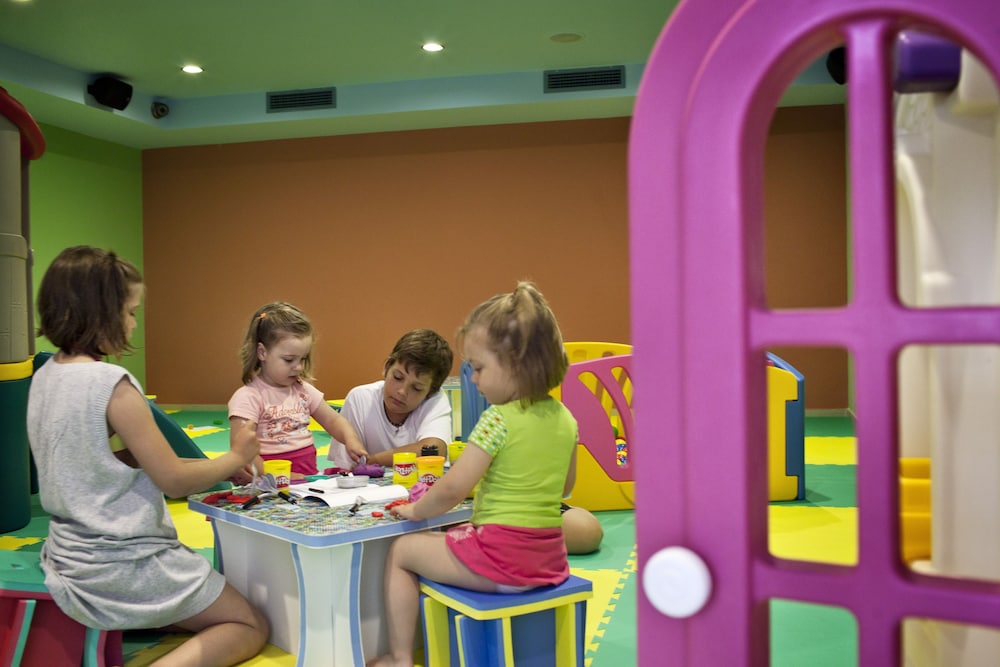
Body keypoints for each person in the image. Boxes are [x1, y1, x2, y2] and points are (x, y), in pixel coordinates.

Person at [27, 245, 269, 666]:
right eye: (130, 312)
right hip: (124, 563)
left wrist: (213, 468)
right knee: (250, 624)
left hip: (68, 555)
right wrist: (235, 456)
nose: (133, 324)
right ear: (101, 313)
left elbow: (111, 463)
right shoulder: (112, 384)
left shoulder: (45, 375)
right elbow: (172, 481)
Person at [367, 281, 578, 667]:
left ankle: (399, 658)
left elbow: (451, 490)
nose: (474, 379)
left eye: (479, 368)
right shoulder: (566, 419)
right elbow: (565, 487)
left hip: (502, 565)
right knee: (460, 533)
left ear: (515, 365)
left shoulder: (497, 419)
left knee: (402, 551)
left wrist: (414, 511)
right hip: (549, 562)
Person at [228, 301, 365, 480]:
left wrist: (350, 439)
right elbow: (241, 451)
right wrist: (279, 475)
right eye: (289, 360)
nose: (299, 367)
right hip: (269, 483)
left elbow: (333, 419)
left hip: (306, 479)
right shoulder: (248, 397)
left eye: (303, 359)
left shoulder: (303, 390)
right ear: (262, 352)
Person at [328, 328, 454, 469]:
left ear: (430, 392)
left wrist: (372, 461)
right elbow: (346, 468)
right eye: (397, 377)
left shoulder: (435, 401)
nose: (402, 392)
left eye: (416, 388)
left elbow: (433, 450)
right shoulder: (360, 399)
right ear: (386, 367)